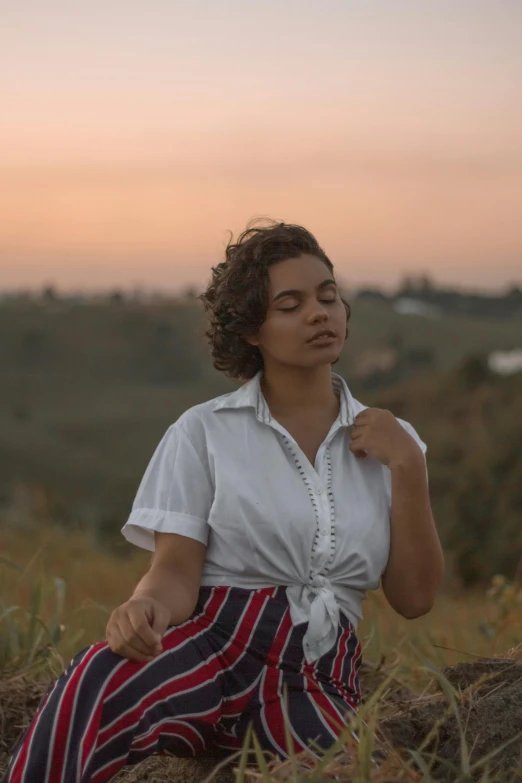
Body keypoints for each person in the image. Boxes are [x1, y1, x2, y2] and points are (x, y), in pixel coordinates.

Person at [2, 219, 444, 783]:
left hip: (313, 675)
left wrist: (408, 466)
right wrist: (145, 606)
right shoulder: (203, 432)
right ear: (252, 331)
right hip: (213, 644)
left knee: (366, 774)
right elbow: (174, 571)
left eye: (328, 297)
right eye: (290, 304)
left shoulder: (396, 442)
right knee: (96, 676)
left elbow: (415, 598)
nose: (318, 313)